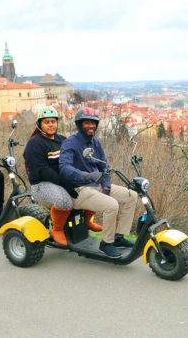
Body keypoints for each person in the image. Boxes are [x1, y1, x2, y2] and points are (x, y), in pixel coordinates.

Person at [59, 107, 138, 258]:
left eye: (94, 123)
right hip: (79, 190)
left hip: (97, 185)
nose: (92, 126)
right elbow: (64, 168)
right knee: (111, 205)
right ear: (79, 124)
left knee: (131, 196)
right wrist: (86, 175)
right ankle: (106, 243)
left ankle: (119, 237)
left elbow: (104, 166)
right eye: (87, 123)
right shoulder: (70, 143)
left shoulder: (95, 142)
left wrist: (106, 185)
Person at [23, 106, 99, 246]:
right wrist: (65, 183)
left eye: (53, 121)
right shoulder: (35, 144)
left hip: (63, 180)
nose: (51, 124)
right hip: (42, 184)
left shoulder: (62, 140)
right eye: (47, 122)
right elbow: (43, 170)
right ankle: (56, 230)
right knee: (64, 201)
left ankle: (87, 221)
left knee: (92, 188)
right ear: (40, 125)